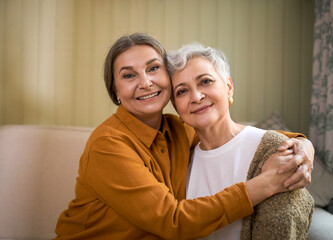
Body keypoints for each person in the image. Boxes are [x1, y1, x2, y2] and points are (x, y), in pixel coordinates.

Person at [54, 33, 314, 240]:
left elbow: (238, 138)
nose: (145, 82)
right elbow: (173, 221)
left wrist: (303, 145)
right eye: (129, 75)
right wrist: (265, 184)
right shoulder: (107, 145)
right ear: (116, 92)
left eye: (153, 68)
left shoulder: (179, 129)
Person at [167, 42, 314, 240]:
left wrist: (306, 144)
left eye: (205, 81)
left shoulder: (274, 148)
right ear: (177, 109)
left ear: (228, 87)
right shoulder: (179, 157)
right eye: (182, 91)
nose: (196, 96)